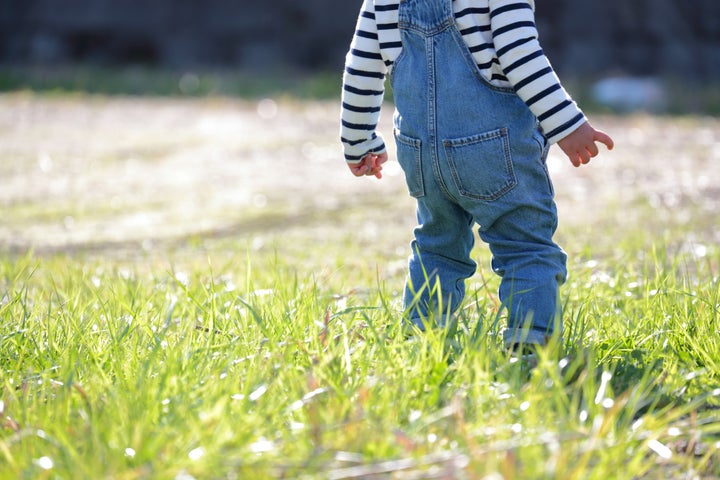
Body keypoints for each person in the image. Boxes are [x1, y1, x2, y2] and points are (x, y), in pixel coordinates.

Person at [340, 0, 613, 351]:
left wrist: (357, 140)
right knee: (524, 246)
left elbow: (362, 65)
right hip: (492, 144)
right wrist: (568, 124)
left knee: (436, 246)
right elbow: (518, 53)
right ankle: (530, 342)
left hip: (420, 149)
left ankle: (422, 339)